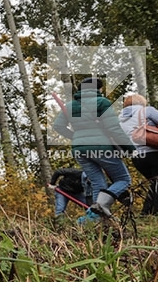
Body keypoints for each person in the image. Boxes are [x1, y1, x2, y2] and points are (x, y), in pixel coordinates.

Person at [52, 76, 133, 223]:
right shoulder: (102, 102)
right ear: (98, 89)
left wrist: (75, 136)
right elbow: (113, 128)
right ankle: (101, 207)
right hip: (101, 146)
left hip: (79, 149)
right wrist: (129, 148)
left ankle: (92, 219)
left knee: (98, 183)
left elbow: (57, 126)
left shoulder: (70, 106)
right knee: (123, 179)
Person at [118, 93, 158, 215]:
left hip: (138, 157)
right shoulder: (147, 111)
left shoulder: (120, 119)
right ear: (141, 103)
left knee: (155, 183)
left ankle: (146, 213)